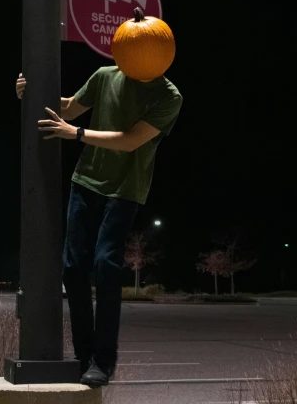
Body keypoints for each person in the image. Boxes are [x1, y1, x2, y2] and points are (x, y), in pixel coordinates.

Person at [15, 65, 182, 386]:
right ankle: (83, 356)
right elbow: (68, 106)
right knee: (73, 268)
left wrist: (75, 133)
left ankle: (103, 362)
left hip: (125, 188)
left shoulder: (169, 96)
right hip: (86, 180)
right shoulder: (106, 75)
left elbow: (131, 140)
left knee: (106, 264)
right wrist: (29, 92)